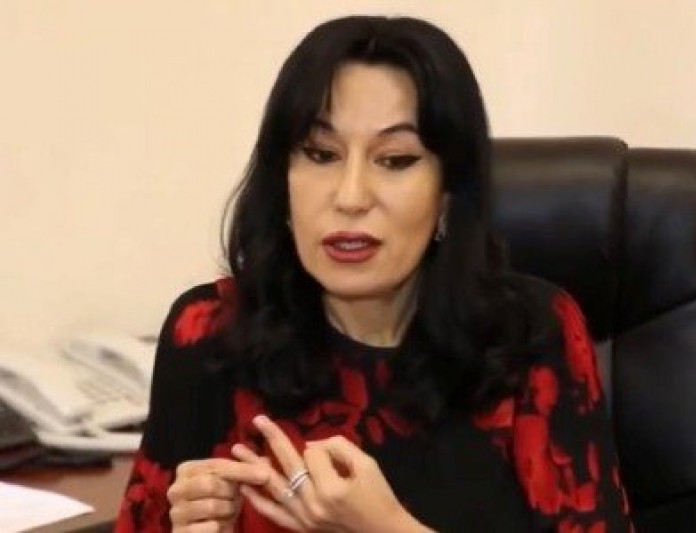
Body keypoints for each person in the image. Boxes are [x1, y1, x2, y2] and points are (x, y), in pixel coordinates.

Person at [116, 15, 633, 533]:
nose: (350, 197)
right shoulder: (209, 333)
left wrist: (386, 527)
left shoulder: (531, 333)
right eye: (321, 154)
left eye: (395, 160)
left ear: (449, 194)